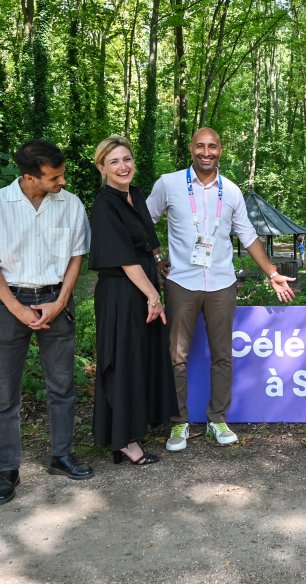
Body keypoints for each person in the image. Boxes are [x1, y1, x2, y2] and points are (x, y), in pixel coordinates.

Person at [147, 127, 296, 452]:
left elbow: (248, 236)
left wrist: (272, 272)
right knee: (177, 356)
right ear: (191, 148)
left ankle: (217, 420)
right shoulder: (169, 184)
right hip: (181, 283)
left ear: (221, 150)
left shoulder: (230, 191)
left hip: (221, 284)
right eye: (200, 146)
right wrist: (157, 254)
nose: (206, 152)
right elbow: (143, 220)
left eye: (212, 146)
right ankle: (179, 423)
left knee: (222, 356)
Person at [0, 140, 93, 505]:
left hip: (57, 300)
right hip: (10, 302)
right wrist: (18, 309)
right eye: (54, 177)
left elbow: (76, 257)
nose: (62, 181)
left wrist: (60, 302)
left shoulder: (70, 205)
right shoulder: (1, 205)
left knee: (62, 385)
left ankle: (62, 455)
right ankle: (7, 467)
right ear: (29, 177)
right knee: (5, 393)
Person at [89, 135, 177, 466]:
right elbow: (124, 259)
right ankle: (123, 440)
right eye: (114, 162)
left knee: (140, 359)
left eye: (126, 159)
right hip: (120, 293)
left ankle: (133, 429)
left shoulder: (135, 195)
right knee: (122, 361)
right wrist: (153, 295)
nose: (122, 166)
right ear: (102, 167)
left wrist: (158, 264)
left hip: (142, 288)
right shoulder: (104, 205)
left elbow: (149, 244)